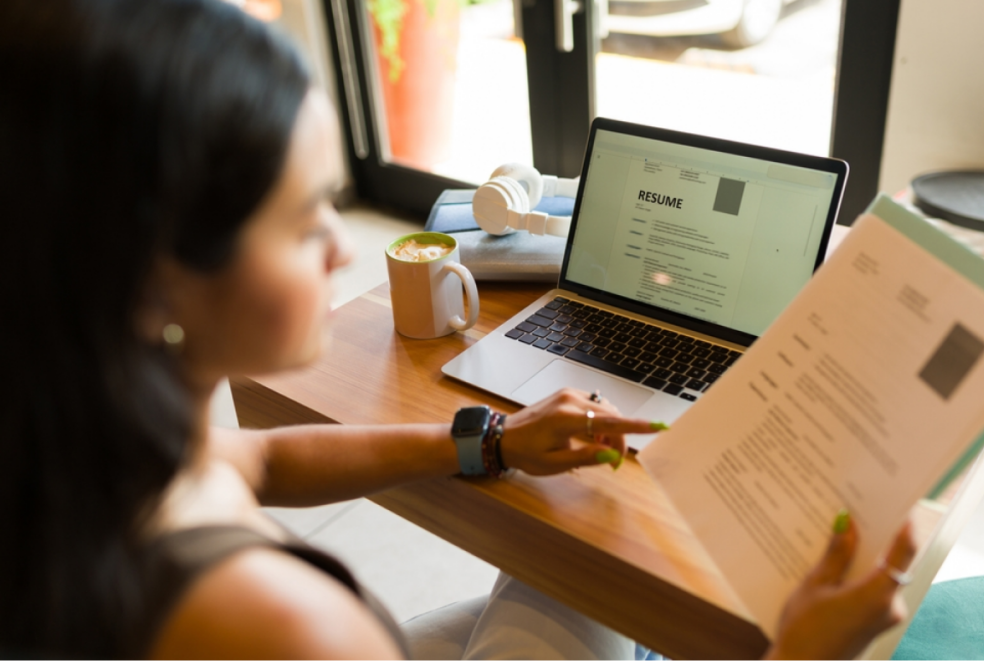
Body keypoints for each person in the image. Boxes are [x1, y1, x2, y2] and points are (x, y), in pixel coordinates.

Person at [0, 0, 914, 659]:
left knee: (565, 567)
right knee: (602, 575)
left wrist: (494, 439)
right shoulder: (284, 626)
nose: (337, 244)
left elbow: (263, 461)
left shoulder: (93, 456)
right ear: (155, 274)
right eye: (303, 214)